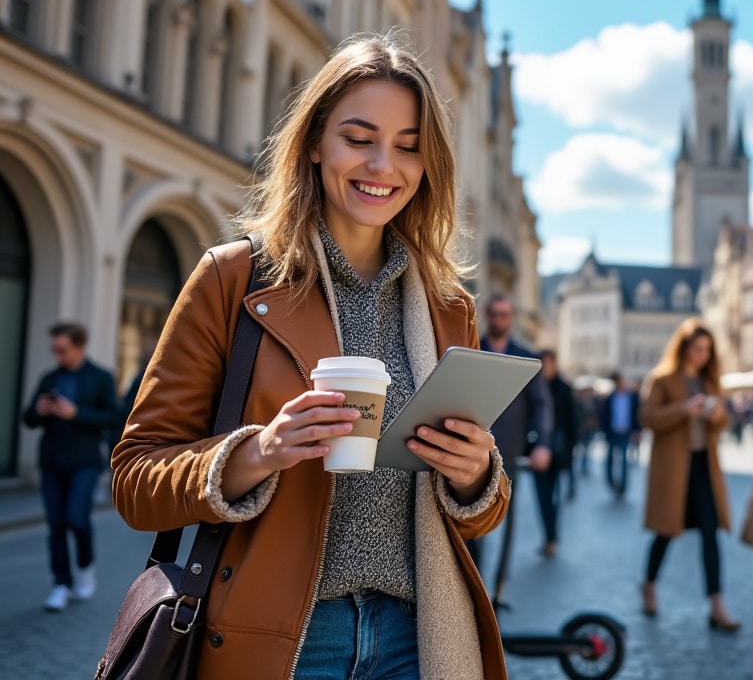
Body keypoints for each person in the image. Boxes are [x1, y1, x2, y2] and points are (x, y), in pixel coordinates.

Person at [112, 36, 510, 677]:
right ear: (316, 141)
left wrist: (474, 476)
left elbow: (479, 514)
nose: (385, 165)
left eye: (409, 146)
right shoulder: (233, 278)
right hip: (281, 640)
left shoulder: (447, 308)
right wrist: (257, 453)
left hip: (420, 639)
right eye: (359, 138)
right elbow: (135, 481)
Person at [639, 319, 740, 631]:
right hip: (673, 469)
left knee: (710, 533)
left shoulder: (710, 382)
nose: (703, 356)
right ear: (683, 348)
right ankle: (650, 585)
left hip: (703, 467)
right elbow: (647, 418)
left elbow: (725, 423)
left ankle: (717, 604)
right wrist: (683, 409)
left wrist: (718, 414)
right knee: (666, 531)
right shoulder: (663, 379)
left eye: (707, 350)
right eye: (698, 349)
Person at [23, 322, 120, 612]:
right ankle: (61, 585)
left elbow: (113, 417)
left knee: (76, 518)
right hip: (52, 461)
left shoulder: (100, 377)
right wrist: (39, 411)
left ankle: (85, 567)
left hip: (85, 461)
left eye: (62, 349)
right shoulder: (49, 377)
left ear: (79, 346)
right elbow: (27, 419)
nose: (57, 355)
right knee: (56, 524)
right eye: (54, 349)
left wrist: (76, 413)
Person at [475, 292, 553, 609]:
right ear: (487, 315)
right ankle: (476, 589)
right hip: (474, 454)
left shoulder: (524, 356)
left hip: (511, 454)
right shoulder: (473, 348)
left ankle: (498, 590)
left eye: (504, 315)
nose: (498, 320)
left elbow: (542, 405)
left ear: (511, 318)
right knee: (472, 525)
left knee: (507, 523)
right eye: (494, 314)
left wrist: (543, 444)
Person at [538, 349, 577, 557]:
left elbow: (572, 421)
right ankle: (549, 536)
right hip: (538, 453)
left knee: (554, 498)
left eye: (549, 364)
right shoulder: (533, 386)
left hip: (559, 452)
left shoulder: (564, 388)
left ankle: (553, 535)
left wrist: (571, 451)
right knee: (543, 498)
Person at [600, 372, 641, 500]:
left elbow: (637, 414)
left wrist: (638, 431)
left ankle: (622, 487)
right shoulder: (610, 397)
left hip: (625, 432)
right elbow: (604, 416)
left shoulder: (632, 397)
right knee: (609, 460)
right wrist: (605, 432)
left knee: (624, 460)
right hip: (612, 433)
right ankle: (612, 483)